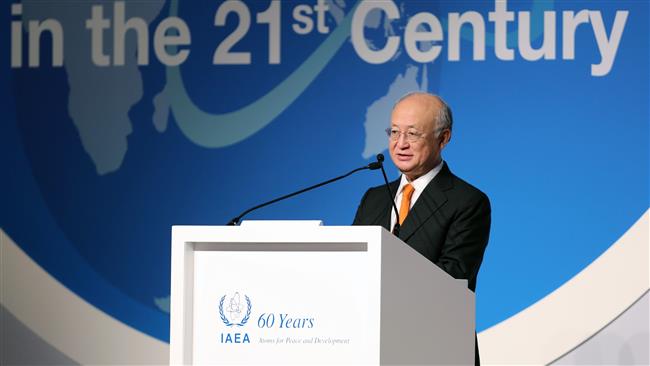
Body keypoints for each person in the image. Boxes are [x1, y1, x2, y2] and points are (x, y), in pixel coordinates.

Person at [352, 92, 490, 364]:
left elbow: (451, 278)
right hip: (374, 348)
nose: (400, 144)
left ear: (443, 138)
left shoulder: (468, 201)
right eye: (394, 132)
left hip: (436, 348)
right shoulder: (374, 198)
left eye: (413, 134)